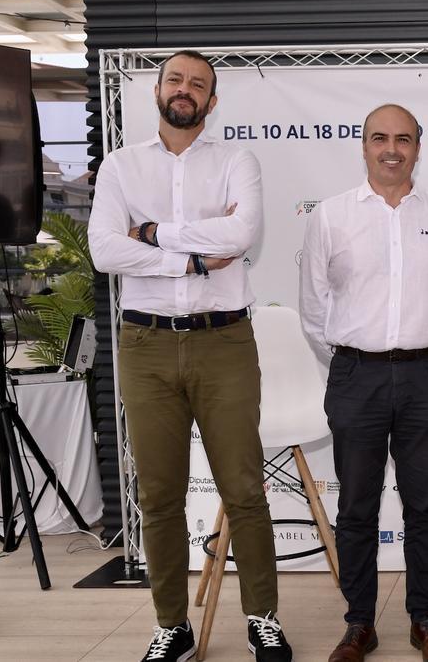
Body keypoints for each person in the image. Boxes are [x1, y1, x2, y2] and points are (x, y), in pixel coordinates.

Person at [88, 50, 293, 662]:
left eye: (198, 84)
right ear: (157, 91)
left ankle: (262, 618)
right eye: (175, 79)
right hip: (145, 344)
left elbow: (241, 234)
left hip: (223, 342)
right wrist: (193, 259)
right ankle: (171, 626)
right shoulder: (120, 166)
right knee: (158, 495)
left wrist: (151, 233)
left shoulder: (236, 161)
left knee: (244, 489)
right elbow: (104, 251)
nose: (185, 89)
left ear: (212, 100)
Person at [300, 103, 428, 662]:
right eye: (379, 138)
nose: (391, 149)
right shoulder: (331, 215)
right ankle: (358, 625)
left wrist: (422, 349)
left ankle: (425, 620)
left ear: (418, 147)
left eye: (403, 139)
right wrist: (352, 359)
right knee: (355, 509)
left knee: (425, 507)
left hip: (425, 374)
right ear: (364, 145)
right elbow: (314, 306)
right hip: (355, 375)